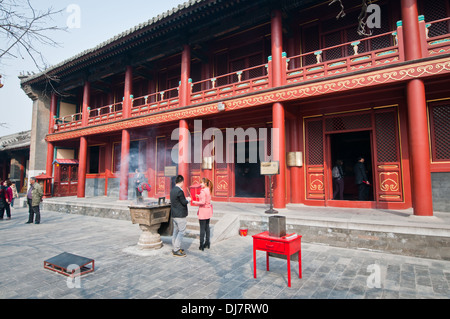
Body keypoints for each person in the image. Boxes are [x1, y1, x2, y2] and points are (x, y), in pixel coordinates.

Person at [169, 175, 191, 257]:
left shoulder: (172, 190)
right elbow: (183, 202)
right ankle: (176, 249)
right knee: (181, 232)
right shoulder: (179, 191)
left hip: (174, 214)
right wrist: (188, 200)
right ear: (182, 182)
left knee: (175, 231)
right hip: (180, 215)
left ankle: (175, 247)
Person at [192, 177, 213, 251]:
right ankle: (207, 243)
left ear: (205, 183)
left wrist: (195, 202)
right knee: (207, 227)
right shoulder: (208, 190)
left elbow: (202, 202)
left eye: (201, 182)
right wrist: (199, 196)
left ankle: (201, 245)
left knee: (202, 229)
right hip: (208, 210)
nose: (200, 184)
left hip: (203, 211)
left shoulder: (203, 191)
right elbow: (205, 199)